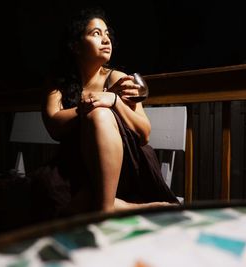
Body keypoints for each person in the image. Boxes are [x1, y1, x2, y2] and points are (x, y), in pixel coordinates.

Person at [30, 7, 179, 221]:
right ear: (75, 45)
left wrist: (114, 100)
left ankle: (105, 207)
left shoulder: (117, 78)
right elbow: (54, 125)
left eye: (107, 33)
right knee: (51, 197)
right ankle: (121, 207)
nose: (106, 40)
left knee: (100, 114)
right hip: (79, 163)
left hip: (126, 164)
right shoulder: (58, 82)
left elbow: (144, 133)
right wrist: (95, 100)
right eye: (96, 34)